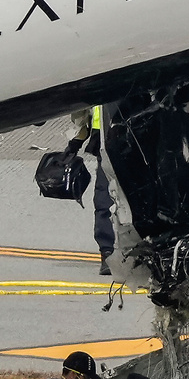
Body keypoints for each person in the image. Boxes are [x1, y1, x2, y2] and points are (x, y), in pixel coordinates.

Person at [67, 106, 115, 275]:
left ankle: (108, 253)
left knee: (105, 194)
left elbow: (82, 111)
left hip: (106, 134)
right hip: (135, 130)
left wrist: (74, 143)